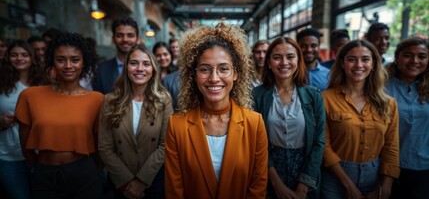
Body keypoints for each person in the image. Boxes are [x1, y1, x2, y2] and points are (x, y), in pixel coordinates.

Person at [164, 22, 268, 199]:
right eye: (205, 69)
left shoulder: (254, 123)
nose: (214, 78)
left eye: (223, 69)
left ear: (235, 74)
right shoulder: (177, 125)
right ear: (194, 75)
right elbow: (174, 191)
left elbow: (257, 188)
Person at [15, 32, 105, 198]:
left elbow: (102, 146)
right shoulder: (30, 96)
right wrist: (42, 167)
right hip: (45, 174)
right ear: (52, 63)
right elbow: (25, 147)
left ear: (84, 63)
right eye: (61, 59)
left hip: (85, 174)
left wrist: (93, 169)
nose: (68, 65)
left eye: (75, 59)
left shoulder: (97, 99)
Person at [321, 40, 399, 199]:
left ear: (373, 64)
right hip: (335, 176)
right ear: (342, 63)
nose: (358, 65)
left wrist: (386, 187)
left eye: (365, 59)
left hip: (375, 176)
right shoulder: (325, 99)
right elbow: (324, 146)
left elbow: (391, 147)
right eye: (351, 59)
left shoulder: (388, 103)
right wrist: (348, 186)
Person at [252, 37, 326, 199]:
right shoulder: (257, 96)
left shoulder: (314, 96)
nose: (284, 62)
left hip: (305, 170)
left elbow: (319, 142)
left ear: (298, 61)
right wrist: (276, 184)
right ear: (269, 63)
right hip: (270, 171)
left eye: (290, 57)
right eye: (277, 57)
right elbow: (256, 143)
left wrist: (303, 187)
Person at [99, 45, 173, 199]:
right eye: (134, 63)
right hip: (121, 182)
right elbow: (105, 147)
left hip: (153, 180)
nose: (140, 68)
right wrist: (126, 181)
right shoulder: (110, 101)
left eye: (146, 64)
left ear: (153, 69)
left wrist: (141, 181)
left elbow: (166, 145)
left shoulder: (163, 100)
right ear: (126, 67)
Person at [0, 40, 48, 199]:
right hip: (8, 156)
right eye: (14, 55)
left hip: (40, 155)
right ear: (8, 58)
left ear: (32, 58)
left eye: (24, 55)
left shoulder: (43, 83)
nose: (19, 58)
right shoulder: (2, 82)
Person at [385, 37, 429, 199]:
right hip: (386, 168)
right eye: (408, 55)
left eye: (422, 56)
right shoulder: (380, 86)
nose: (415, 61)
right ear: (397, 58)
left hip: (424, 169)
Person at [92, 17, 140, 94]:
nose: (125, 39)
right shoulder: (100, 70)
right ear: (113, 39)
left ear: (137, 39)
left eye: (130, 35)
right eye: (120, 35)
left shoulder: (147, 69)